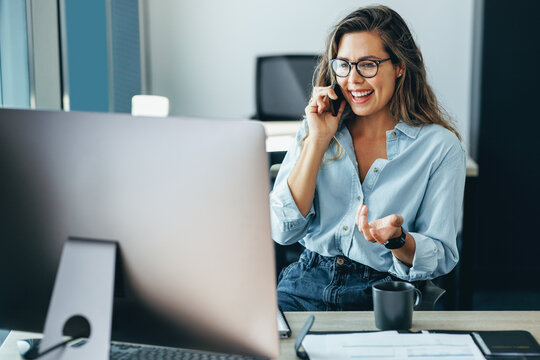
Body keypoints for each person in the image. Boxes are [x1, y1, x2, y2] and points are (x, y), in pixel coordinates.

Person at [270, 5, 466, 311]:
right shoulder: (317, 128)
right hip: (304, 283)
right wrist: (318, 140)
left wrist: (398, 240)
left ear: (400, 66)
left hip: (385, 292)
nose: (353, 79)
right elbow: (284, 231)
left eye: (368, 65)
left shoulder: (439, 147)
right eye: (344, 65)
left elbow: (441, 256)